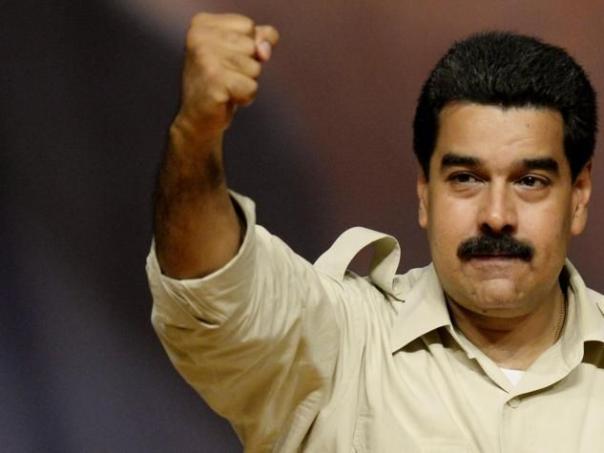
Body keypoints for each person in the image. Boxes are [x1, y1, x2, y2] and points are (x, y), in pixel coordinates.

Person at [146, 12, 604, 452]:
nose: (497, 215)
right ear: (425, 195)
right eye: (466, 178)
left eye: (530, 182)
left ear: (579, 198)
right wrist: (195, 133)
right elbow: (212, 285)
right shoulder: (335, 342)